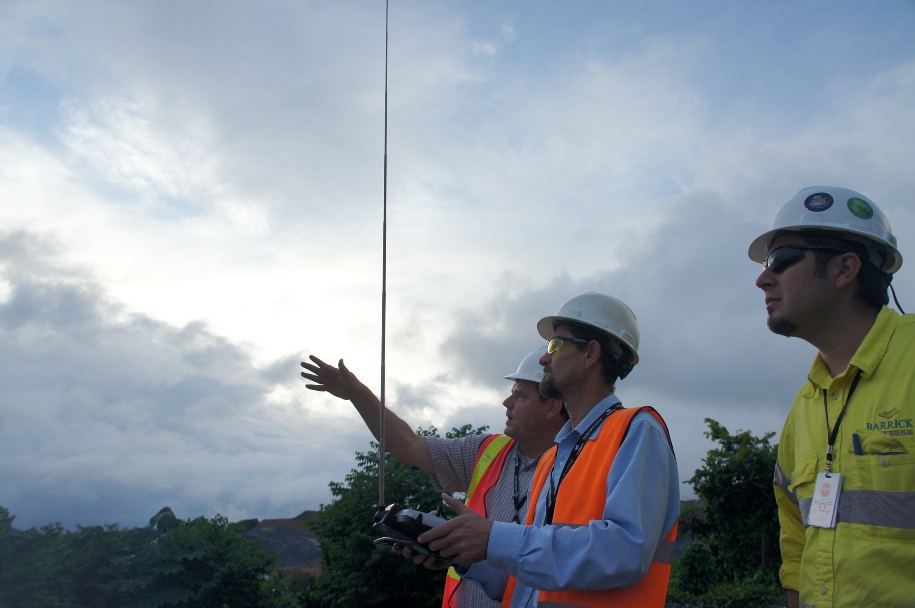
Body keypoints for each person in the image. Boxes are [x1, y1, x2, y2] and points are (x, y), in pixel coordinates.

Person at [414, 292, 680, 608]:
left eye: (556, 345)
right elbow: (528, 582)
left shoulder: (637, 432)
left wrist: (493, 537)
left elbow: (623, 552)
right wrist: (462, 551)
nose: (543, 359)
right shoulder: (552, 459)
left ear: (591, 354)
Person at [300, 346, 567, 608]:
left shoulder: (575, 471)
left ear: (552, 407)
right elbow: (409, 446)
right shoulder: (489, 450)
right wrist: (357, 394)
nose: (506, 402)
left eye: (520, 396)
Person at [749, 186, 914, 608]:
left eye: (781, 261)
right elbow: (796, 546)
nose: (762, 278)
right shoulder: (805, 405)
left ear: (844, 269)